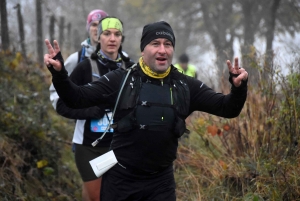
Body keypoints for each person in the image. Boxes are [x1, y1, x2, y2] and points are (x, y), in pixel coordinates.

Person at [44, 21, 248, 201]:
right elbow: (75, 98)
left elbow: (227, 108)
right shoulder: (121, 80)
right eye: (155, 44)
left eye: (168, 44)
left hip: (161, 183)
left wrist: (238, 88)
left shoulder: (185, 85)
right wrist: (60, 74)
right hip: (120, 181)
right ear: (143, 49)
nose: (162, 50)